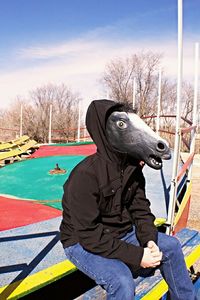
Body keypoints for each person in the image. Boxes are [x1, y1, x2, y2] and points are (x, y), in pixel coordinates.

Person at [60, 100, 196, 300]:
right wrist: (137, 256)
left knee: (172, 247)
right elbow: (89, 235)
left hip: (121, 232)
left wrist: (149, 239)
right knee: (121, 281)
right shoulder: (84, 177)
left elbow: (141, 210)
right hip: (81, 243)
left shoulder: (132, 169)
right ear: (103, 132)